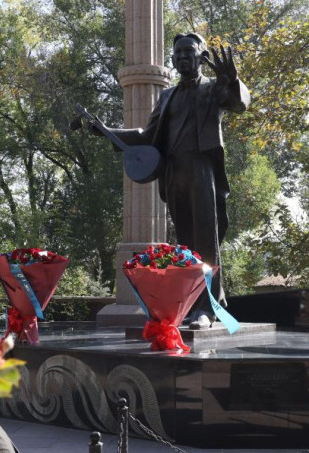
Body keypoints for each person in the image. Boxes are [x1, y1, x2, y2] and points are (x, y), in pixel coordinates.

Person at [91, 32, 250, 329]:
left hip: (202, 169)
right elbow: (147, 135)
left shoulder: (213, 88)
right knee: (186, 244)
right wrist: (106, 131)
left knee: (206, 241)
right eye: (177, 53)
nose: (182, 57)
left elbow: (238, 104)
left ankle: (207, 308)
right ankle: (190, 304)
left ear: (202, 57)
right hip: (174, 173)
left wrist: (232, 80)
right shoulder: (167, 96)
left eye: (188, 51)